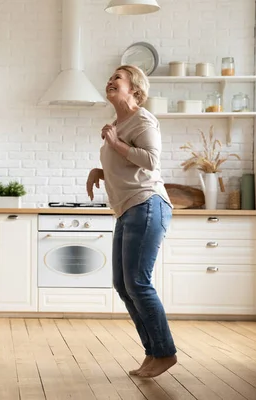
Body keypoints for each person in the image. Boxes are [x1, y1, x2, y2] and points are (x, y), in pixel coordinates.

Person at [86, 65, 177, 378]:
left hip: (147, 203)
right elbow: (127, 162)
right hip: (128, 208)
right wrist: (99, 171)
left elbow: (150, 161)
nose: (110, 80)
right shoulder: (118, 123)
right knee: (123, 284)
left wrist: (113, 143)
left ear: (135, 90)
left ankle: (164, 352)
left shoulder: (142, 118)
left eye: (118, 78)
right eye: (109, 77)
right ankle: (153, 353)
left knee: (137, 282)